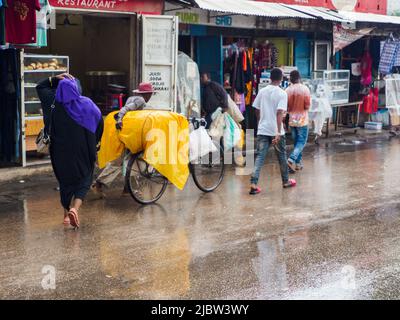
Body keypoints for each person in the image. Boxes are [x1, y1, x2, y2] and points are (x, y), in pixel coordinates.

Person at [36, 74, 103, 229]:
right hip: (83, 150)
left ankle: (66, 215)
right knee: (85, 178)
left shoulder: (51, 102)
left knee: (65, 181)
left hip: (60, 151)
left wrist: (55, 78)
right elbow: (100, 124)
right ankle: (75, 208)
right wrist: (96, 142)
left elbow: (40, 86)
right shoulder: (88, 104)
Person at [94, 82, 155, 192]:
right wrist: (119, 120)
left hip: (124, 134)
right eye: (150, 94)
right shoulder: (140, 100)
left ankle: (110, 185)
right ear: (146, 94)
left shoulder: (132, 98)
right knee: (133, 160)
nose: (150, 96)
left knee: (122, 160)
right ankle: (127, 188)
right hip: (129, 135)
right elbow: (124, 110)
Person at [249, 68, 296, 195]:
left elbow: (256, 109)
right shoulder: (282, 93)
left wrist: (260, 122)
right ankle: (286, 181)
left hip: (263, 129)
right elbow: (280, 113)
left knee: (260, 156)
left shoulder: (262, 91)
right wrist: (277, 132)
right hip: (276, 130)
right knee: (281, 156)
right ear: (281, 79)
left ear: (270, 77)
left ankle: (253, 183)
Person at [286, 70, 311, 172]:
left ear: (290, 79)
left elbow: (286, 106)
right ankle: (291, 159)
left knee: (297, 142)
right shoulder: (305, 89)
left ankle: (298, 164)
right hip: (302, 120)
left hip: (292, 119)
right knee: (302, 141)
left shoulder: (287, 90)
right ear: (299, 78)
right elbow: (307, 105)